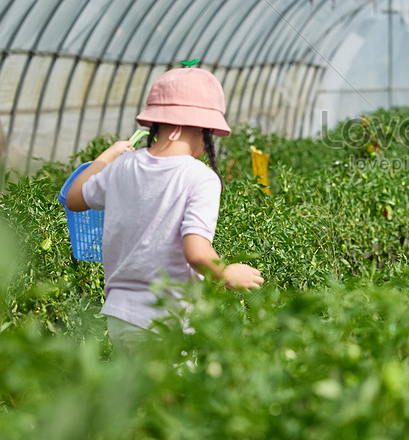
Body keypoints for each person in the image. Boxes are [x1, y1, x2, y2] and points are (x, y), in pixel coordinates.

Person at [65, 65, 264, 352]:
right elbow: (195, 251)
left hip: (119, 317)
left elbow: (74, 198)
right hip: (165, 321)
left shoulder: (122, 165)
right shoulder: (200, 177)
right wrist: (226, 272)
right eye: (205, 134)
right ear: (193, 128)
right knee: (176, 396)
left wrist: (108, 156)